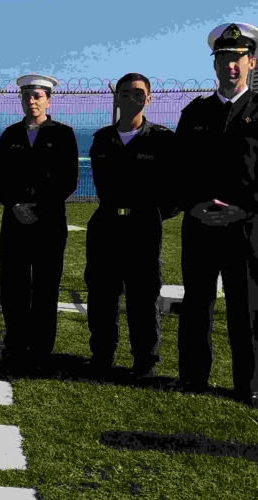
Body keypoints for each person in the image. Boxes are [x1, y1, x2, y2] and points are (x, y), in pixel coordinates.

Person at [175, 22, 258, 408]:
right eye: (224, 58)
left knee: (247, 306)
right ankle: (192, 376)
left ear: (252, 62)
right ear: (215, 64)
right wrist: (193, 206)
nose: (231, 65)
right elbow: (177, 171)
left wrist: (245, 208)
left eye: (238, 58)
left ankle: (250, 384)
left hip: (247, 228)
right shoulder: (195, 113)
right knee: (197, 303)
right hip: (200, 227)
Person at [85, 73, 177, 379]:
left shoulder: (162, 140)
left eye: (138, 93)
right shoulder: (102, 139)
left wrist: (150, 214)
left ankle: (144, 362)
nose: (131, 98)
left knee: (143, 296)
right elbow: (100, 184)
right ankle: (102, 355)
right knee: (102, 295)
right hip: (107, 224)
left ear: (148, 99)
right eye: (124, 93)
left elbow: (176, 191)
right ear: (116, 97)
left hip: (143, 228)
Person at [0, 74, 79, 370]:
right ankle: (16, 344)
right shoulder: (10, 135)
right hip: (15, 220)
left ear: (48, 100)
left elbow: (68, 179)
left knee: (45, 286)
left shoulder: (64, 134)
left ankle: (42, 348)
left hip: (48, 222)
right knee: (14, 285)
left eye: (38, 96)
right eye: (27, 96)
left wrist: (39, 208)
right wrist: (15, 205)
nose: (32, 101)